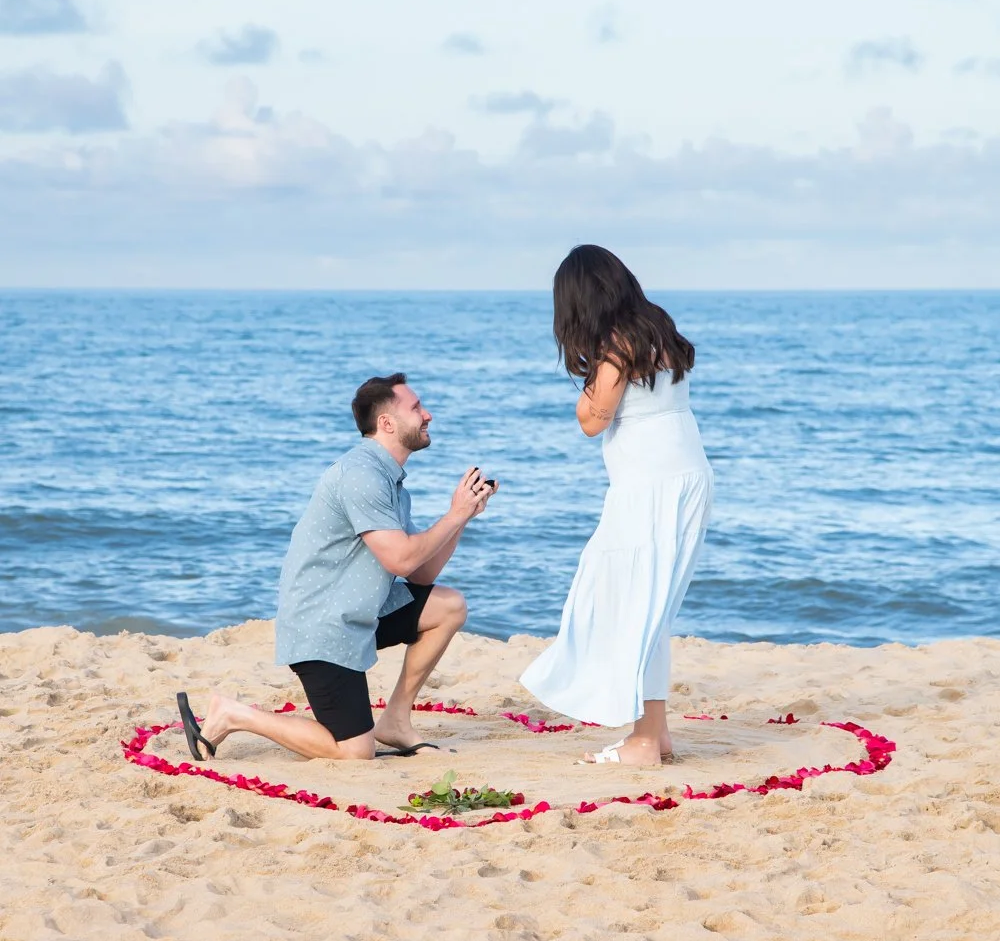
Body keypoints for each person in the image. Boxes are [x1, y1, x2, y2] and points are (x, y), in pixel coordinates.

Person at [176, 373, 498, 763]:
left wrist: (462, 517)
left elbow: (421, 574)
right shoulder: (361, 475)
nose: (427, 414)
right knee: (355, 753)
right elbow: (400, 559)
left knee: (448, 605)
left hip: (360, 616)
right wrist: (454, 514)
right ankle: (233, 714)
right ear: (387, 423)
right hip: (322, 627)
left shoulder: (392, 484)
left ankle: (395, 721)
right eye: (416, 408)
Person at [520, 246, 713, 766]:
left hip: (649, 489)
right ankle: (655, 731)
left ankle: (645, 741)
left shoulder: (616, 349)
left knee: (629, 604)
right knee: (648, 607)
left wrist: (587, 384)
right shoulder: (658, 328)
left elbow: (592, 420)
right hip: (683, 479)